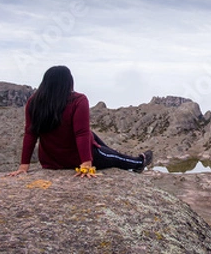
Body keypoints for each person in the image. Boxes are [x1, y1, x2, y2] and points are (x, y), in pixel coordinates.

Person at [9, 65, 153, 178]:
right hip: (75, 158)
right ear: (69, 82)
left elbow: (30, 134)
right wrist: (86, 163)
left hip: (50, 161)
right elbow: (81, 133)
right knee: (109, 155)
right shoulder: (78, 100)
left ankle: (107, 150)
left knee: (92, 135)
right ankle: (139, 162)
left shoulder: (33, 102)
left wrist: (24, 166)